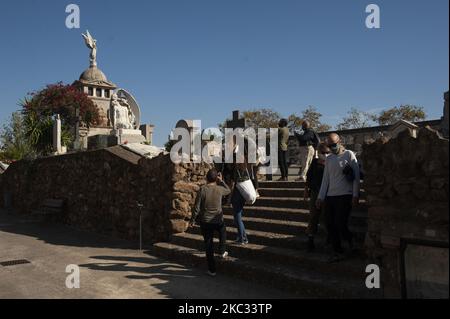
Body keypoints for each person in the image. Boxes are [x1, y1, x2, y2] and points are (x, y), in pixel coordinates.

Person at [316, 133, 360, 263]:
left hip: (345, 194)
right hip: (330, 195)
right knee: (329, 224)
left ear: (339, 141)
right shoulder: (329, 158)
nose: (332, 147)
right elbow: (326, 179)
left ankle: (350, 239)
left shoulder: (349, 155)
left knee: (340, 223)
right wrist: (320, 197)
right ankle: (337, 251)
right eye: (330, 145)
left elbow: (356, 177)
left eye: (334, 144)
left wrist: (356, 195)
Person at [190, 169, 231, 276]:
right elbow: (229, 190)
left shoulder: (203, 189)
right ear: (216, 178)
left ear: (206, 178)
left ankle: (212, 270)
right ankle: (222, 251)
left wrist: (192, 220)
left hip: (206, 221)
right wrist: (221, 181)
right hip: (218, 220)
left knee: (208, 245)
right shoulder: (220, 189)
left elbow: (197, 207)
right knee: (223, 231)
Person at [304, 143, 331, 252]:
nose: (325, 155)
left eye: (327, 153)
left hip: (328, 192)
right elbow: (309, 176)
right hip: (315, 191)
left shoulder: (331, 162)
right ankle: (310, 239)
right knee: (313, 216)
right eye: (323, 153)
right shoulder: (315, 162)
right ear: (319, 153)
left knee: (326, 216)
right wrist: (306, 190)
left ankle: (329, 239)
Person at [231, 163, 251, 245]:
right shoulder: (246, 169)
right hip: (243, 195)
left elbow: (232, 185)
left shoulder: (236, 171)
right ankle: (243, 237)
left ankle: (242, 238)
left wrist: (229, 198)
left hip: (237, 195)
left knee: (238, 218)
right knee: (238, 217)